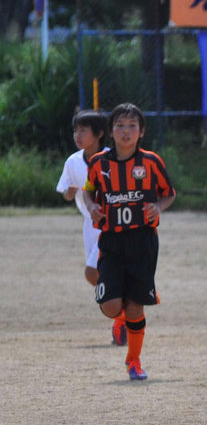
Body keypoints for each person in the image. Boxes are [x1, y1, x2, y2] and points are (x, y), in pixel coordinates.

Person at [83, 103, 176, 381]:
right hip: (111, 241)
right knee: (111, 307)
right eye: (120, 126)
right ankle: (121, 321)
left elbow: (169, 193)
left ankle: (133, 361)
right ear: (111, 131)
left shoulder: (151, 162)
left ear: (141, 131)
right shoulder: (99, 163)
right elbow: (89, 191)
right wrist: (91, 207)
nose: (126, 131)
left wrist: (158, 207)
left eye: (132, 126)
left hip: (143, 241)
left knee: (136, 306)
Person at [55, 109, 123, 346]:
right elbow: (65, 191)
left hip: (111, 224)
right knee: (98, 275)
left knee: (91, 272)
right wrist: (69, 193)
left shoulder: (111, 157)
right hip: (89, 224)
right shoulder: (73, 161)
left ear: (100, 133)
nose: (77, 134)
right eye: (75, 130)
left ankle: (121, 315)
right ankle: (122, 308)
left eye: (83, 130)